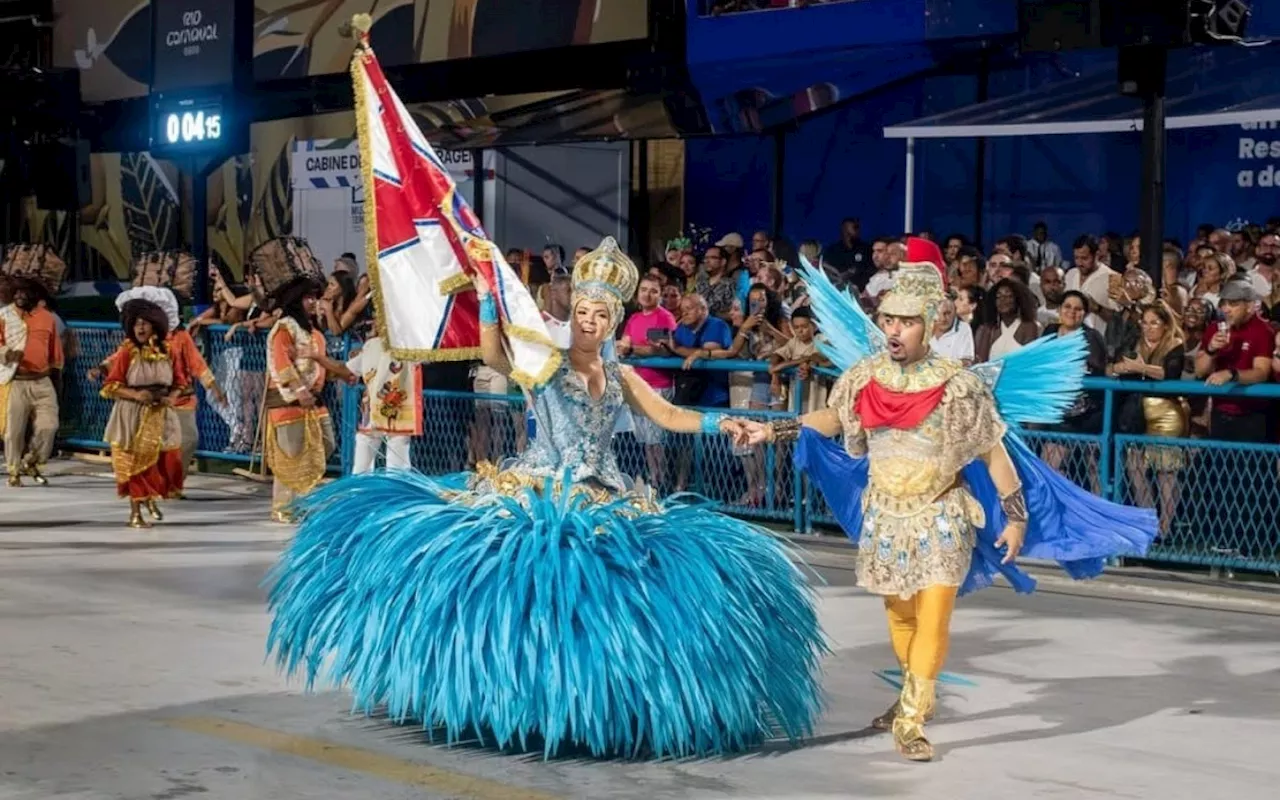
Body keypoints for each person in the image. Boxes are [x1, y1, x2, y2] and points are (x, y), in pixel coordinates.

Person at [266, 237, 824, 759]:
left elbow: (670, 415)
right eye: (583, 311)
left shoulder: (622, 374)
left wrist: (722, 425)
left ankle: (598, 704)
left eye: (601, 315)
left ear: (614, 321)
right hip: (543, 489)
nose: (589, 322)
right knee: (532, 588)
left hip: (604, 494)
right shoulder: (547, 362)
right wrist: (488, 295)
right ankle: (510, 696)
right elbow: (493, 357)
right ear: (574, 311)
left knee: (619, 596)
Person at [742, 237, 1157, 762]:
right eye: (888, 319)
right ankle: (913, 694)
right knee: (900, 615)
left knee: (933, 614)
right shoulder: (864, 377)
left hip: (941, 513)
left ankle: (912, 716)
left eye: (906, 321)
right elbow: (831, 419)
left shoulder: (958, 386)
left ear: (931, 323)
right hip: (885, 515)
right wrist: (772, 432)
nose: (893, 329)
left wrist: (1015, 517)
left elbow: (993, 454)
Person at [263, 275, 357, 523]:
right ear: (297, 301)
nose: (314, 302)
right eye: (309, 297)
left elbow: (319, 366)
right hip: (288, 401)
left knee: (326, 443)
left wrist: (339, 377)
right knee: (291, 454)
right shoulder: (283, 328)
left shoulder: (315, 333)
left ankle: (302, 499)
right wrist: (300, 391)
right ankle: (284, 508)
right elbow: (282, 363)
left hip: (315, 399)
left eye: (315, 297)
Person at [100, 297, 188, 527]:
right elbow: (111, 385)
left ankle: (150, 497)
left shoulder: (168, 351)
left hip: (161, 413)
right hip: (132, 413)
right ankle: (135, 512)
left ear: (154, 326)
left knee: (166, 461)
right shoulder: (127, 351)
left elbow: (181, 382)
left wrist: (171, 398)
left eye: (145, 323)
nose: (140, 327)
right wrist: (136, 395)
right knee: (135, 463)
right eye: (136, 323)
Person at [2, 260, 65, 487]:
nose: (20, 295)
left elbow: (55, 353)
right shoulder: (5, 316)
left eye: (25, 292)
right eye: (16, 291)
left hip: (42, 381)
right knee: (13, 432)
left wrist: (57, 381)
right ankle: (13, 471)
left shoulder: (47, 318)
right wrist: (6, 353)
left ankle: (32, 462)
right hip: (15, 381)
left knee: (49, 426)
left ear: (34, 294)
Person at [346, 329, 422, 474]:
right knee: (370, 449)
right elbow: (349, 369)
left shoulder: (409, 344)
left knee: (381, 453)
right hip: (379, 408)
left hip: (394, 407)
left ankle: (364, 489)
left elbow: (347, 370)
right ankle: (375, 489)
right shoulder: (372, 345)